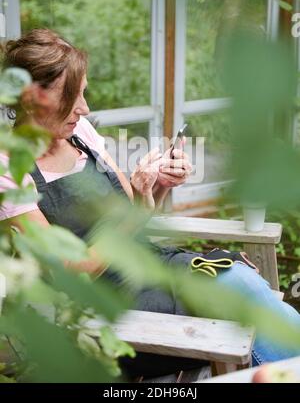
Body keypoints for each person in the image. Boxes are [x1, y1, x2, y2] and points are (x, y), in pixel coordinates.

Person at [0, 29, 299, 379]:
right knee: (243, 298)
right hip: (105, 312)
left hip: (145, 267)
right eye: (72, 95)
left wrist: (156, 186)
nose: (84, 108)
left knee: (244, 283)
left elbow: (132, 211)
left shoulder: (82, 134)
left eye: (83, 93)